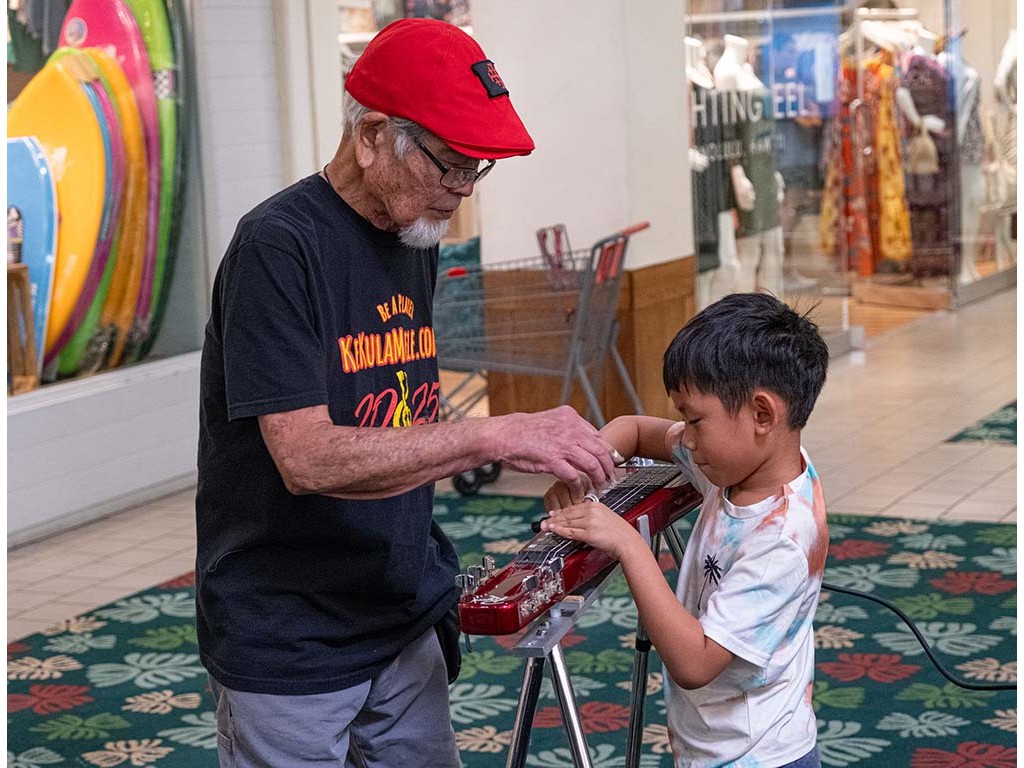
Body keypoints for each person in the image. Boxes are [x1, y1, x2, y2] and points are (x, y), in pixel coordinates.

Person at [195, 18, 619, 768]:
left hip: (399, 609)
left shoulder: (411, 229)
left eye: (477, 170)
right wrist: (494, 434)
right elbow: (307, 459)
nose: (463, 190)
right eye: (451, 165)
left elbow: (397, 412)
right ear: (371, 137)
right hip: (292, 632)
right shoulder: (277, 247)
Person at [542, 292, 830, 768]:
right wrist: (585, 469)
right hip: (713, 744)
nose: (687, 440)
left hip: (757, 756)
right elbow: (634, 429)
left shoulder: (782, 539)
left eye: (694, 420)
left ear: (763, 414)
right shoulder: (740, 465)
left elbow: (695, 663)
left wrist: (629, 545)